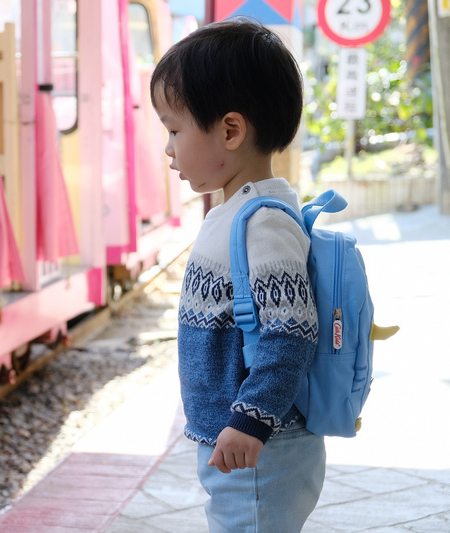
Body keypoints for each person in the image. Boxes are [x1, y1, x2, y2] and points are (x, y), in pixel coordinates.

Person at [150, 18, 325, 532]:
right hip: (243, 443)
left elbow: (290, 334)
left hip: (259, 446)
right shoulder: (238, 213)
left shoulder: (263, 224)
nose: (168, 149)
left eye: (174, 129)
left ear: (230, 129)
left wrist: (250, 420)